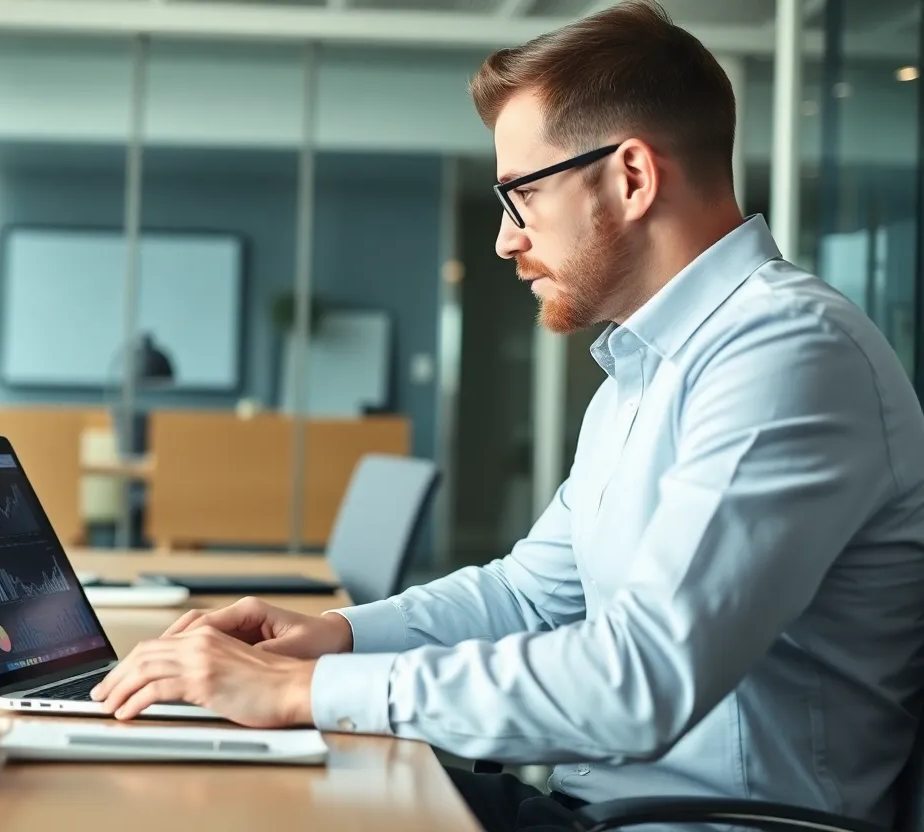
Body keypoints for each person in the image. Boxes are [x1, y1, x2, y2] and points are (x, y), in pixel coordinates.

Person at [90, 1, 924, 829]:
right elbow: (528, 597)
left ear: (632, 176)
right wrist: (333, 638)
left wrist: (300, 691)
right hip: (594, 809)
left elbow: (642, 679)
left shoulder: (784, 354)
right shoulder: (644, 373)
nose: (504, 239)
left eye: (521, 194)